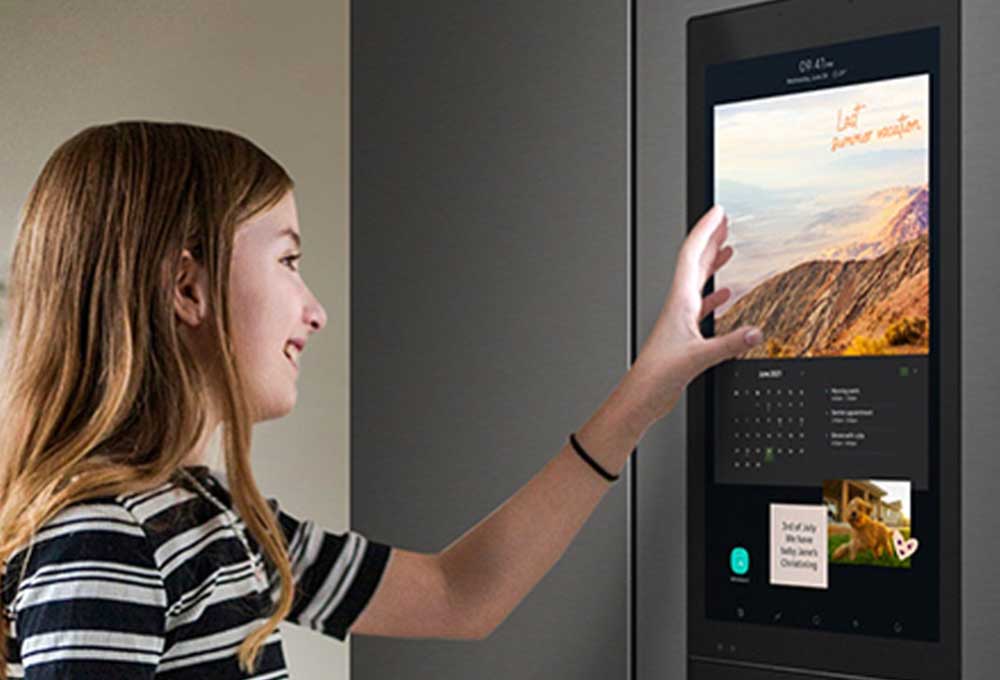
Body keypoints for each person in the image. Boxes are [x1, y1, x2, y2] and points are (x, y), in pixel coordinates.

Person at [0, 121, 763, 679]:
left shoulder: (216, 518)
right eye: (289, 260)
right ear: (188, 287)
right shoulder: (102, 541)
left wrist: (645, 390)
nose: (314, 309)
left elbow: (462, 594)